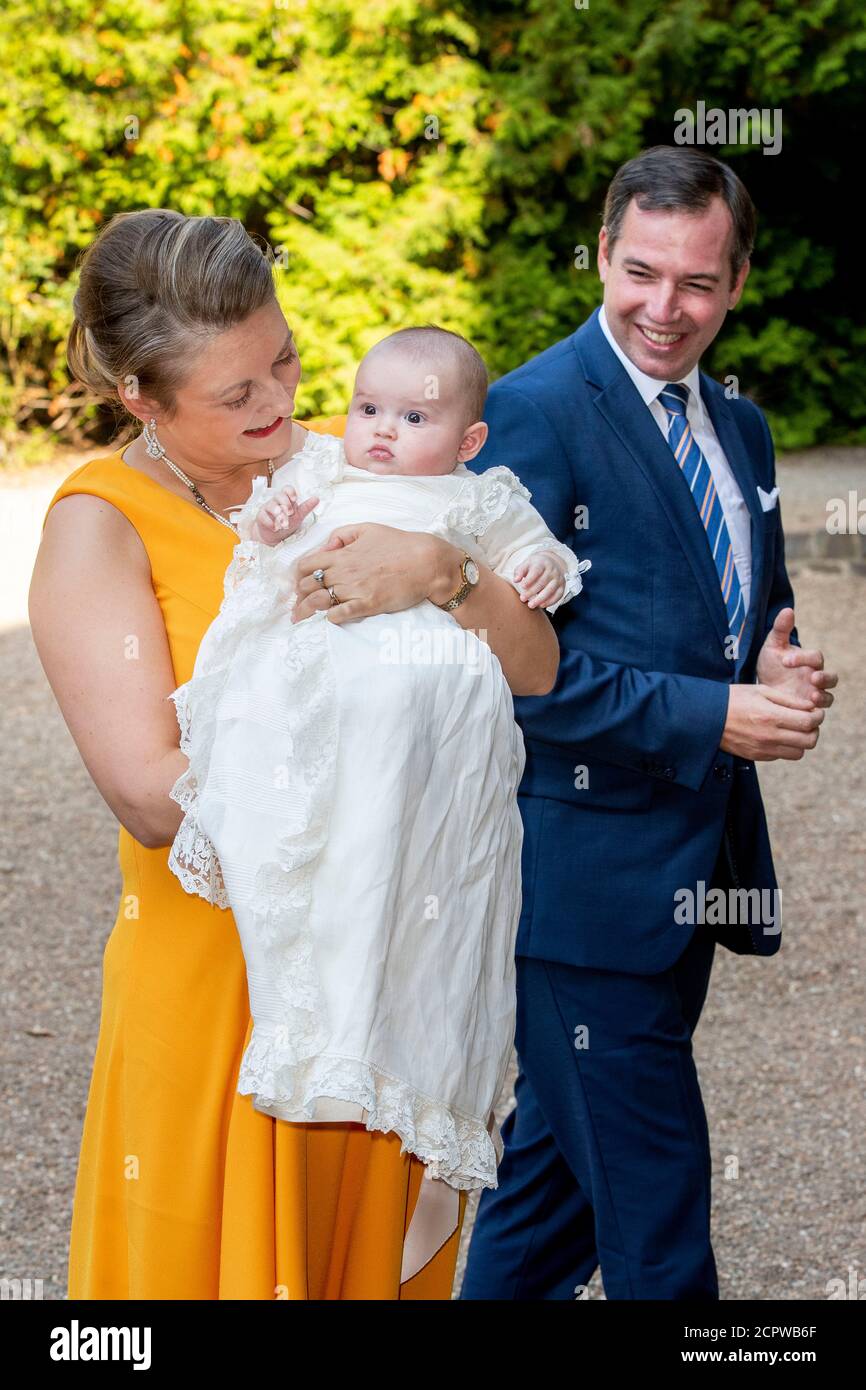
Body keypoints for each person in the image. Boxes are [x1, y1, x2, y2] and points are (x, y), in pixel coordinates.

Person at [28, 208, 560, 1299]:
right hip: (220, 992)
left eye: (284, 360)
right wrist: (366, 797)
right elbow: (149, 793)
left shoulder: (358, 465)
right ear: (141, 395)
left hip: (384, 982)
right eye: (236, 395)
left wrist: (443, 576)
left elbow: (537, 668)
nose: (280, 405)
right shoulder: (101, 523)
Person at [459, 145, 838, 1300]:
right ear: (600, 256)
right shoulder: (527, 411)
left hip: (684, 870)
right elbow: (511, 667)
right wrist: (714, 714)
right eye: (638, 273)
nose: (661, 309)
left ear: (734, 285)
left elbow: (735, 603)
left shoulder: (741, 428)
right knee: (659, 1223)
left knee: (553, 1204)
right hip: (578, 890)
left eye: (695, 284)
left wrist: (771, 662)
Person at [162, 325, 587, 1254]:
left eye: (414, 416)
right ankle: (328, 1058)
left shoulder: (483, 499)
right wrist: (273, 523)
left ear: (470, 441)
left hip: (444, 758)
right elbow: (267, 534)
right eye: (367, 409)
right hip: (341, 740)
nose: (381, 431)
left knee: (451, 925)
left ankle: (442, 1132)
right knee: (339, 903)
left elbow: (545, 577)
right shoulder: (327, 477)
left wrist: (537, 568)